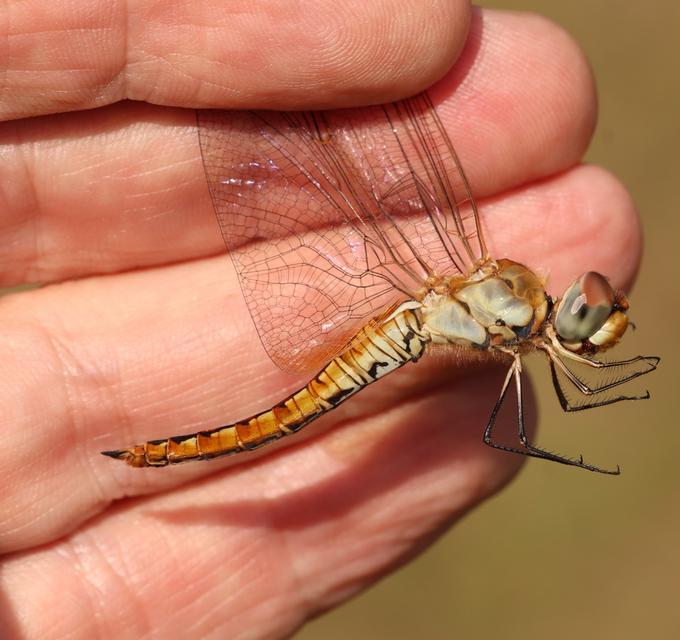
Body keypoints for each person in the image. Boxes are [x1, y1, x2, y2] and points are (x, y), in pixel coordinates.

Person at [0, 2, 642, 637]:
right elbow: (532, 423)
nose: (588, 318)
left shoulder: (523, 323)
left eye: (591, 315)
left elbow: (567, 394)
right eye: (592, 312)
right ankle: (158, 450)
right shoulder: (519, 319)